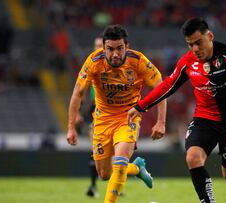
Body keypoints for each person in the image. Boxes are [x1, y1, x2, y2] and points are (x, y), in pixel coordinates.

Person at [128, 17, 226, 203]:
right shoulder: (187, 62)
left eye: (199, 42)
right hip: (205, 119)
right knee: (193, 157)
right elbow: (168, 85)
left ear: (210, 36)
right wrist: (140, 106)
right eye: (190, 45)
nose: (195, 49)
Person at [66, 25, 167, 203]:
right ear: (103, 47)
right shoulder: (94, 61)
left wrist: (161, 122)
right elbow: (78, 93)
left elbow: (161, 88)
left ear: (127, 47)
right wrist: (71, 127)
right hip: (102, 120)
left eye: (119, 49)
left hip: (128, 117)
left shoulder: (138, 61)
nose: (115, 54)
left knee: (120, 161)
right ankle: (136, 168)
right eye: (110, 49)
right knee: (104, 174)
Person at [85, 36, 103, 198]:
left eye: (101, 46)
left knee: (114, 154)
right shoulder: (91, 65)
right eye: (96, 45)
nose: (98, 48)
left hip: (113, 114)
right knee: (95, 150)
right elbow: (80, 90)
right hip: (95, 111)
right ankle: (92, 185)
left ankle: (115, 184)